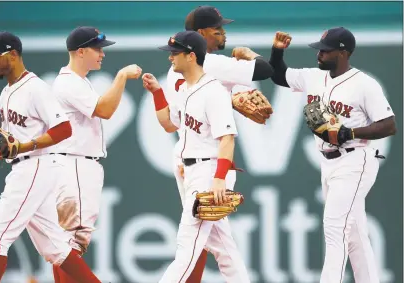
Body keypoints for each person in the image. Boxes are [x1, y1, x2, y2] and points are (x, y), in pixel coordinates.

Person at [0, 31, 102, 283]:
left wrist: (25, 146)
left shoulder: (35, 88)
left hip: (38, 164)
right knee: (55, 247)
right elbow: (5, 146)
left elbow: (64, 129)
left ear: (13, 54)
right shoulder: (6, 94)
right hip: (26, 166)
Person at [269, 27, 397, 283]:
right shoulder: (313, 77)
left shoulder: (364, 84)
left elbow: (389, 124)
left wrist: (348, 133)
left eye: (325, 50)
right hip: (328, 162)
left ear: (343, 52)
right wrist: (277, 51)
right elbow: (278, 75)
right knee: (356, 235)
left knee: (334, 229)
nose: (319, 54)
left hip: (355, 159)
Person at [164, 6, 274, 281]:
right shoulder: (207, 66)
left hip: (199, 162)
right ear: (200, 35)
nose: (223, 32)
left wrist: (217, 177)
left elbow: (172, 123)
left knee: (194, 245)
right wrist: (248, 54)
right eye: (217, 29)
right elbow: (265, 69)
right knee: (219, 246)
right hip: (199, 162)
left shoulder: (181, 74)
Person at [142, 30, 250, 283]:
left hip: (210, 173)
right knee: (225, 251)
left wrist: (219, 180)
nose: (170, 58)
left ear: (191, 56)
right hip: (193, 172)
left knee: (186, 248)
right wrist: (157, 93)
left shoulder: (214, 92)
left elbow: (227, 138)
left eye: (175, 53)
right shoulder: (186, 90)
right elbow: (169, 124)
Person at [48, 26, 142, 283]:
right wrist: (121, 76)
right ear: (80, 52)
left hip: (75, 163)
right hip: (75, 164)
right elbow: (105, 109)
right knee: (71, 243)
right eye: (97, 49)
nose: (102, 54)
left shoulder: (76, 81)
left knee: (65, 244)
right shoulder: (68, 83)